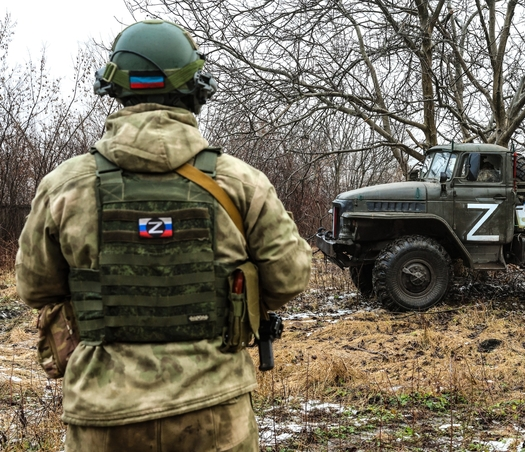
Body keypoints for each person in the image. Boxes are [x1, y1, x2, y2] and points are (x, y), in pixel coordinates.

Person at [15, 20, 311, 451]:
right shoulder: (239, 182)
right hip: (215, 411)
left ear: (114, 91)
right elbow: (290, 276)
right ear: (195, 90)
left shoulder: (64, 186)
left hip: (103, 414)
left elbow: (34, 286)